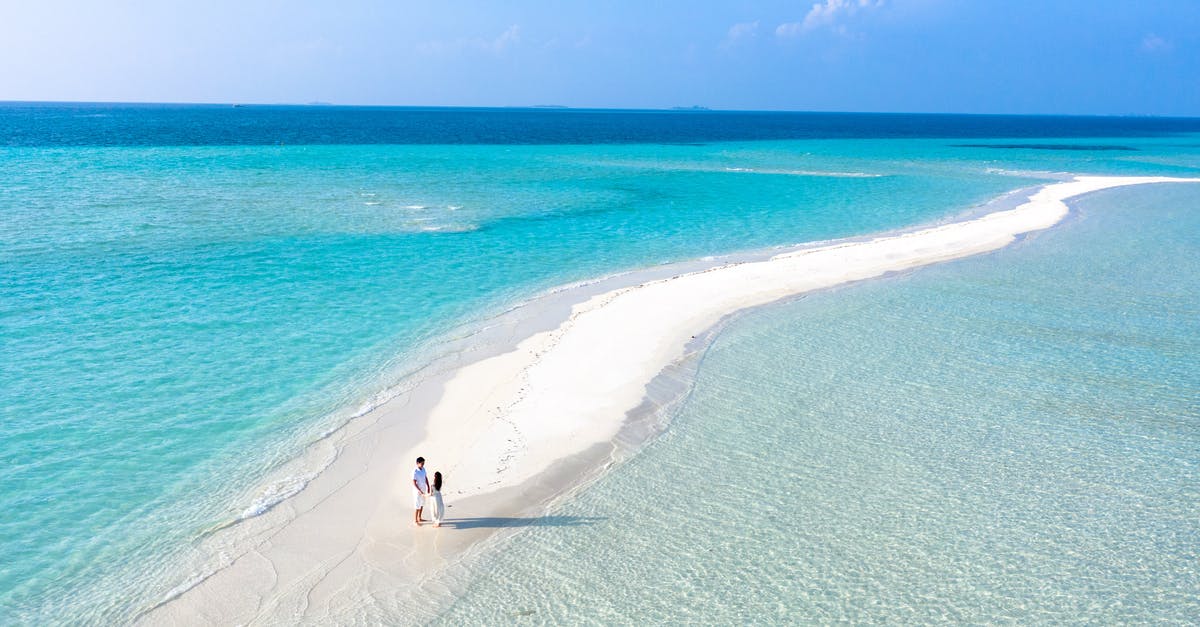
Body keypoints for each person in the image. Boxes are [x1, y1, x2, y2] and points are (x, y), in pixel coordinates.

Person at [412, 457, 430, 526]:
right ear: (417, 463)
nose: (423, 465)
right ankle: (415, 520)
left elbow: (425, 477)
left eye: (423, 463)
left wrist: (428, 486)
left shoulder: (423, 469)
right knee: (417, 505)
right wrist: (419, 491)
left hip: (424, 489)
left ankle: (419, 517)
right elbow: (414, 483)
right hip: (417, 491)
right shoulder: (415, 471)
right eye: (422, 463)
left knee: (422, 504)